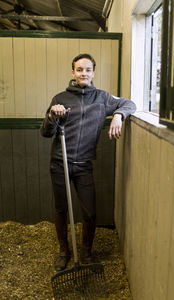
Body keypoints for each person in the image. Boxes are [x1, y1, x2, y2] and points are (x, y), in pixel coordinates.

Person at [40, 53, 136, 272]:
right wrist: (53, 117)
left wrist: (119, 115)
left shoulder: (102, 98)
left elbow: (130, 104)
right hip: (60, 162)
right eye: (79, 69)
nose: (84, 73)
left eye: (88, 70)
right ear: (73, 72)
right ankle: (64, 251)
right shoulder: (60, 98)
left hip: (83, 164)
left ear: (93, 72)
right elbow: (46, 133)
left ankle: (86, 252)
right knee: (61, 207)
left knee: (89, 211)